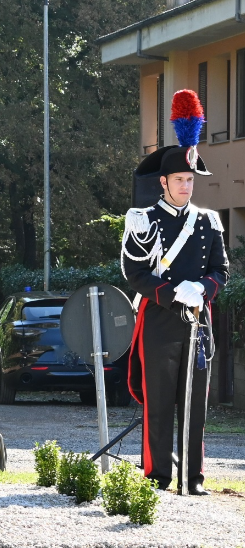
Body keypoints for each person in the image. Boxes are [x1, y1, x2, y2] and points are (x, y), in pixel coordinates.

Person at [121, 89, 228, 495]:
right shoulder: (142, 219)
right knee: (160, 399)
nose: (186, 186)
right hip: (160, 319)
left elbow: (222, 270)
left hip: (198, 321)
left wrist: (203, 287)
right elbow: (134, 272)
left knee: (195, 402)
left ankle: (192, 478)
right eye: (180, 180)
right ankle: (157, 475)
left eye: (190, 180)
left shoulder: (209, 221)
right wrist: (170, 292)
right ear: (163, 182)